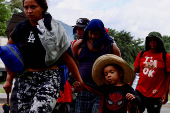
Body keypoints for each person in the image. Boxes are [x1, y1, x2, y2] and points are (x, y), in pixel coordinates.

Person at [3, 0, 83, 113]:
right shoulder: (21, 27)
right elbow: (9, 54)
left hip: (48, 79)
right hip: (25, 79)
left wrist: (79, 80)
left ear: (43, 8)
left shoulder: (55, 28)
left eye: (33, 7)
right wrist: (9, 80)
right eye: (26, 7)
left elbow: (67, 57)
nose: (29, 11)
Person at [72, 19, 121, 113]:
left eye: (96, 34)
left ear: (102, 32)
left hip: (102, 91)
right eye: (91, 33)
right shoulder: (79, 45)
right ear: (87, 31)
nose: (93, 36)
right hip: (83, 89)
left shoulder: (111, 47)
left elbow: (119, 69)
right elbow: (71, 65)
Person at [74, 54, 140, 113]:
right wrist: (81, 85)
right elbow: (92, 88)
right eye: (106, 74)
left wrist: (133, 97)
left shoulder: (127, 87)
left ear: (120, 73)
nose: (108, 75)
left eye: (112, 72)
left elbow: (138, 100)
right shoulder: (105, 87)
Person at [133, 31, 170, 113]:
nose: (152, 42)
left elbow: (168, 76)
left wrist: (165, 93)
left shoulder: (165, 56)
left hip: (156, 93)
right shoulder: (142, 54)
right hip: (140, 90)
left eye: (155, 40)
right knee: (135, 110)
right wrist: (128, 87)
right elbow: (134, 72)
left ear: (159, 42)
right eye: (150, 40)